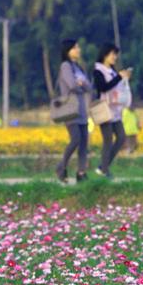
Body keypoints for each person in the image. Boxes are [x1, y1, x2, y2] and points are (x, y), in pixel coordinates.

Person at [55, 39, 93, 183]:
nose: (78, 50)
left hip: (82, 109)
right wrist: (80, 85)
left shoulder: (78, 67)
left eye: (78, 47)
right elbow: (71, 85)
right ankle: (61, 167)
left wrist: (81, 84)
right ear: (68, 51)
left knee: (84, 142)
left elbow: (88, 86)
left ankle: (81, 172)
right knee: (76, 139)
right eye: (75, 48)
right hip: (71, 109)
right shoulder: (65, 66)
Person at [93, 43, 131, 178]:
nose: (115, 57)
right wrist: (119, 78)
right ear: (105, 55)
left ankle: (102, 166)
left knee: (121, 137)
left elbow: (116, 86)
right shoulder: (98, 70)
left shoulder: (113, 70)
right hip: (104, 110)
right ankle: (104, 170)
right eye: (112, 54)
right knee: (108, 139)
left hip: (115, 110)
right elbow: (103, 87)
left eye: (116, 54)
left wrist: (124, 78)